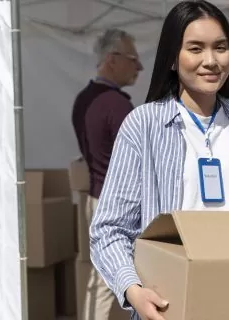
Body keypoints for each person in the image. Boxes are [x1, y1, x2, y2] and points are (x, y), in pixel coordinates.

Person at [89, 1, 229, 319]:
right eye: (195, 48)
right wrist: (133, 290)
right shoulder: (143, 125)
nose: (210, 61)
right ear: (173, 57)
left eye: (221, 48)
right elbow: (109, 228)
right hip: (169, 302)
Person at [71, 28, 143, 320]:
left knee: (101, 278)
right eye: (133, 59)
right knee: (115, 279)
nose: (138, 66)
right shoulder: (117, 105)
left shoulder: (83, 100)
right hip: (117, 204)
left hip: (96, 198)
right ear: (112, 59)